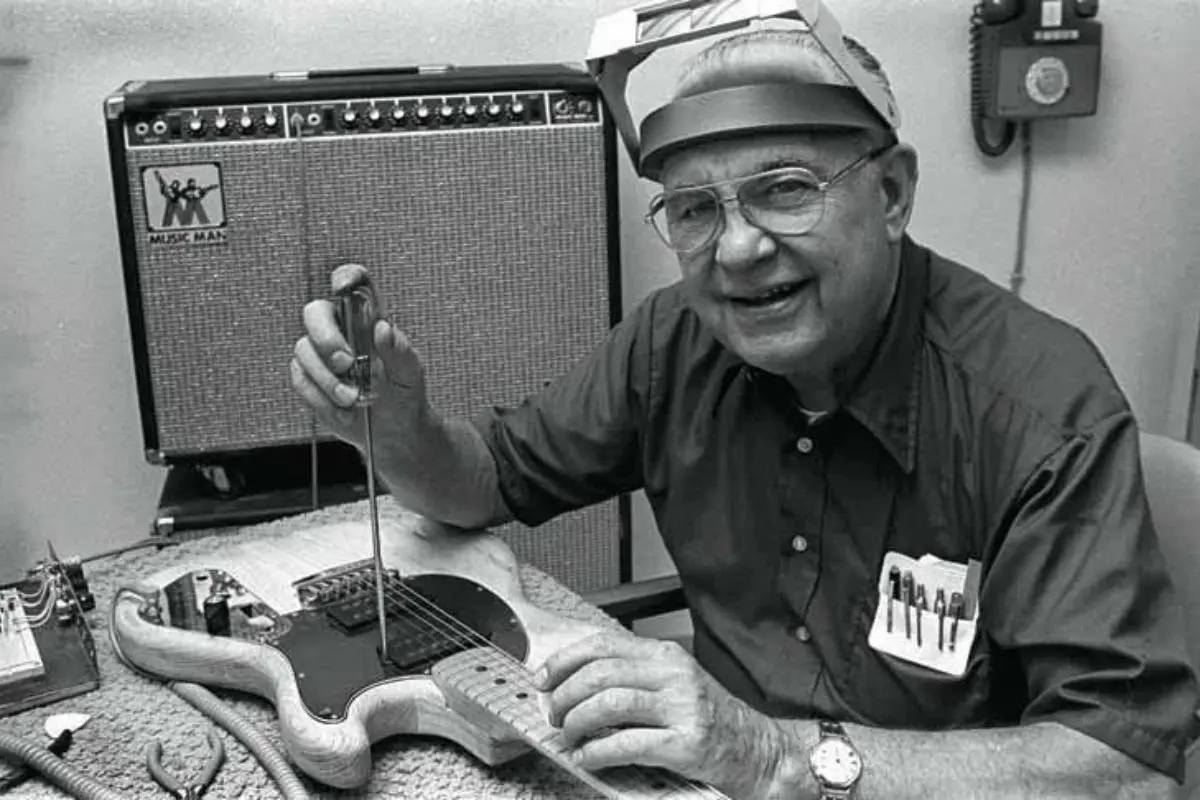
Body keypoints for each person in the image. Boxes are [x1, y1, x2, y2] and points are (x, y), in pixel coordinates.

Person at [291, 25, 1198, 800]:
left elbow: (1125, 767)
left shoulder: (1041, 406)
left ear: (891, 195)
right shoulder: (674, 341)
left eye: (787, 188)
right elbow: (485, 481)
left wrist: (775, 757)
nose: (738, 247)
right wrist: (402, 427)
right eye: (695, 209)